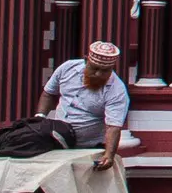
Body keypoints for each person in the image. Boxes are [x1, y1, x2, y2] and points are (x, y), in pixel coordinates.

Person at [39, 41, 130, 170]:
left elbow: (113, 127)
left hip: (88, 147)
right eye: (94, 68)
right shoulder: (67, 68)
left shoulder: (116, 90)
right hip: (57, 139)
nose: (98, 74)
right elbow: (48, 94)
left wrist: (109, 155)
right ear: (86, 60)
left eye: (104, 71)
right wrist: (39, 118)